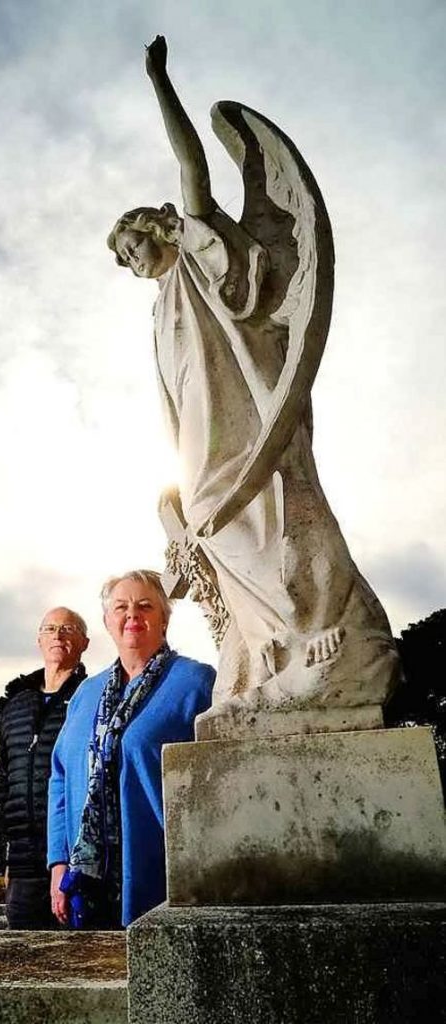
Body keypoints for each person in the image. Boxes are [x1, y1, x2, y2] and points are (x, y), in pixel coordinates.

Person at [106, 36, 400, 716]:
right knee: (214, 526)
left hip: (243, 406)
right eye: (123, 257)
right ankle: (268, 647)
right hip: (199, 434)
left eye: (133, 242)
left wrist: (160, 82)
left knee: (261, 510)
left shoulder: (197, 254)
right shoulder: (158, 312)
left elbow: (190, 165)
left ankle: (317, 627)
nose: (131, 259)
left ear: (158, 227)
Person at [47, 570, 214, 928]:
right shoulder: (85, 695)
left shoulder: (197, 682)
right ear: (108, 622)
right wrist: (59, 862)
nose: (132, 615)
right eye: (121, 607)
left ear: (164, 619)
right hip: (86, 882)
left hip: (162, 872)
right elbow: (59, 777)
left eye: (145, 606)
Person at [0, 606, 89, 929]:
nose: (58, 635)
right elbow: (6, 784)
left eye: (68, 629)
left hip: (75, 859)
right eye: (49, 629)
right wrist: (7, 856)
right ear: (38, 640)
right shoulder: (14, 707)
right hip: (22, 865)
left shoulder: (92, 700)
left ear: (84, 642)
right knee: (23, 960)